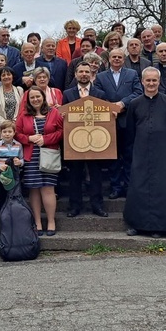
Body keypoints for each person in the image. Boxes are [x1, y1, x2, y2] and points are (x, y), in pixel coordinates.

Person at [124, 67, 166, 238]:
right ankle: (137, 225)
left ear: (159, 82)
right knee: (139, 187)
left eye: (154, 80)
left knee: (163, 188)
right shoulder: (135, 103)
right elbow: (130, 130)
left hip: (165, 153)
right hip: (141, 153)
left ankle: (161, 226)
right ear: (143, 81)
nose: (151, 83)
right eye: (148, 80)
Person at [94, 48, 142, 199]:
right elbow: (97, 94)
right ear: (109, 59)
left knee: (129, 155)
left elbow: (138, 92)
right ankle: (115, 187)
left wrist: (121, 104)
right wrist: (110, 107)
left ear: (123, 59)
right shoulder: (101, 77)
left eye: (119, 57)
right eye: (113, 57)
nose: (116, 59)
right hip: (109, 121)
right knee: (112, 157)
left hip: (127, 120)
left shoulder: (132, 74)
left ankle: (128, 187)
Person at [16, 87, 64, 236]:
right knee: (34, 189)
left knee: (48, 188)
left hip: (49, 154)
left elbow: (61, 132)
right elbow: (17, 133)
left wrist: (46, 139)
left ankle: (51, 221)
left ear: (43, 97)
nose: (35, 99)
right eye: (32, 98)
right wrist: (28, 138)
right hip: (32, 156)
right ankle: (37, 222)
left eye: (38, 96)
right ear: (28, 100)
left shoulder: (54, 112)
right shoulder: (23, 115)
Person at [62, 62, 108, 217]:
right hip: (74, 141)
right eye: (81, 71)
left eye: (86, 72)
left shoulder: (100, 94)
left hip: (95, 141)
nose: (84, 74)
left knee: (96, 174)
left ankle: (97, 205)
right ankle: (75, 206)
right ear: (75, 74)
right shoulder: (67, 94)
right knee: (75, 174)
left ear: (91, 74)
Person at [0, 120, 24, 212]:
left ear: (14, 132)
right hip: (0, 177)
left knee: (14, 197)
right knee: (2, 198)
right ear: (0, 133)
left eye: (9, 131)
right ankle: (2, 217)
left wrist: (20, 162)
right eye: (4, 132)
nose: (7, 134)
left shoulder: (18, 145)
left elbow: (23, 159)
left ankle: (13, 216)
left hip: (14, 177)